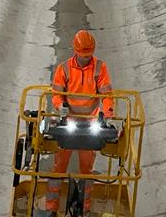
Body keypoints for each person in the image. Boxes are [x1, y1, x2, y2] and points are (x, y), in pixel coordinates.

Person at [46, 29, 114, 216]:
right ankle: (51, 208)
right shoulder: (64, 68)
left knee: (87, 169)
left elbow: (107, 94)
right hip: (69, 121)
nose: (86, 58)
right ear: (75, 51)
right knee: (59, 166)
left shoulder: (100, 67)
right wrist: (61, 106)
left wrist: (106, 113)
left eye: (88, 55)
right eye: (83, 55)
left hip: (90, 123)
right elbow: (56, 94)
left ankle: (84, 209)